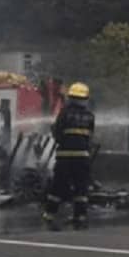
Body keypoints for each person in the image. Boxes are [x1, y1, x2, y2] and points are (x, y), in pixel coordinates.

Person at [43, 82, 95, 231]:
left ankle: (49, 214)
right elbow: (90, 137)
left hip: (65, 157)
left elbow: (58, 134)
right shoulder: (90, 116)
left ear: (70, 97)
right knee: (81, 188)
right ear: (86, 98)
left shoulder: (64, 113)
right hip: (82, 158)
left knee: (58, 187)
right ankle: (80, 216)